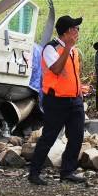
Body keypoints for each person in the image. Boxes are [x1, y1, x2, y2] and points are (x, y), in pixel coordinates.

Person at [28, 15, 89, 185]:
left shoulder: (74, 50)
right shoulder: (51, 48)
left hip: (75, 100)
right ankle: (34, 173)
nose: (78, 32)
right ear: (67, 31)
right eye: (76, 29)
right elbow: (56, 69)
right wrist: (68, 48)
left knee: (76, 136)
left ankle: (67, 172)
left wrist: (80, 89)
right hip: (56, 101)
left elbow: (71, 75)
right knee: (49, 136)